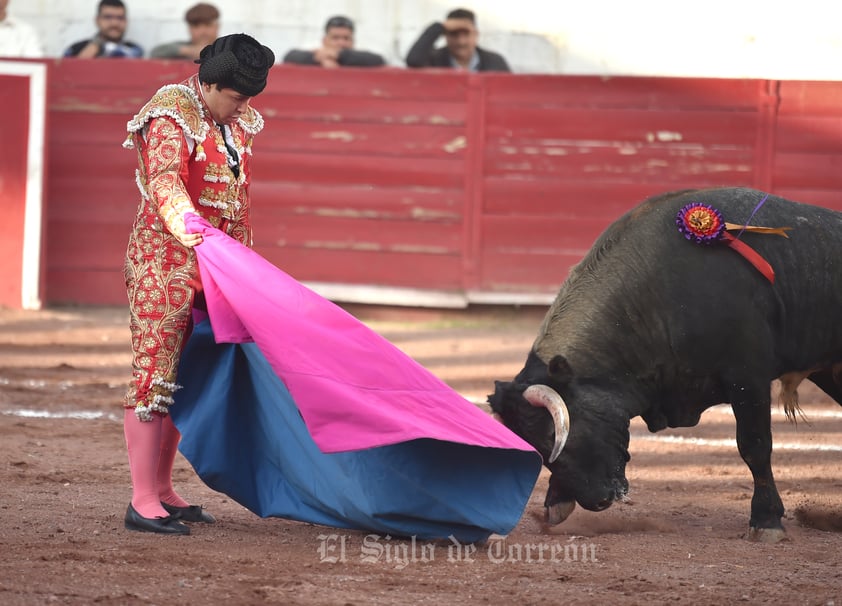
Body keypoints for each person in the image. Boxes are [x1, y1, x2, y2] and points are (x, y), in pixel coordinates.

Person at [121, 32, 275, 534]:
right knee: (156, 372)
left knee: (190, 377)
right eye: (236, 96)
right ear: (208, 83)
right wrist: (198, 235)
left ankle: (163, 489)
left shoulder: (240, 121)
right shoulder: (169, 112)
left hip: (217, 266)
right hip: (164, 263)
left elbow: (239, 201)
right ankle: (142, 498)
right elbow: (165, 181)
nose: (243, 106)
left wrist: (240, 266)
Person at [405, 8, 510, 72]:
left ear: (476, 34)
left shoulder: (495, 62)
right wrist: (438, 27)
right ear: (445, 36)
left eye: (466, 34)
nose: (461, 42)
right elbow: (413, 61)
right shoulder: (434, 59)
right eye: (454, 34)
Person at [283, 15, 385, 68]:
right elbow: (289, 56)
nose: (341, 43)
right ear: (324, 40)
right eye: (335, 38)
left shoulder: (361, 49)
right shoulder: (313, 48)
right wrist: (317, 58)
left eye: (346, 38)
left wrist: (339, 55)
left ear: (353, 40)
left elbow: (379, 60)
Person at [64, 0, 143, 58]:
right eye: (108, 17)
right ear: (97, 20)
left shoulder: (135, 51)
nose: (114, 23)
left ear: (126, 21)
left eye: (120, 18)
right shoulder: (76, 49)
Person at [150, 2, 219, 61]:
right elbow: (155, 52)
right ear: (189, 29)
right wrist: (189, 51)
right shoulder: (182, 48)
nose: (202, 31)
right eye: (196, 26)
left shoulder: (227, 48)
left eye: (208, 25)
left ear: (217, 26)